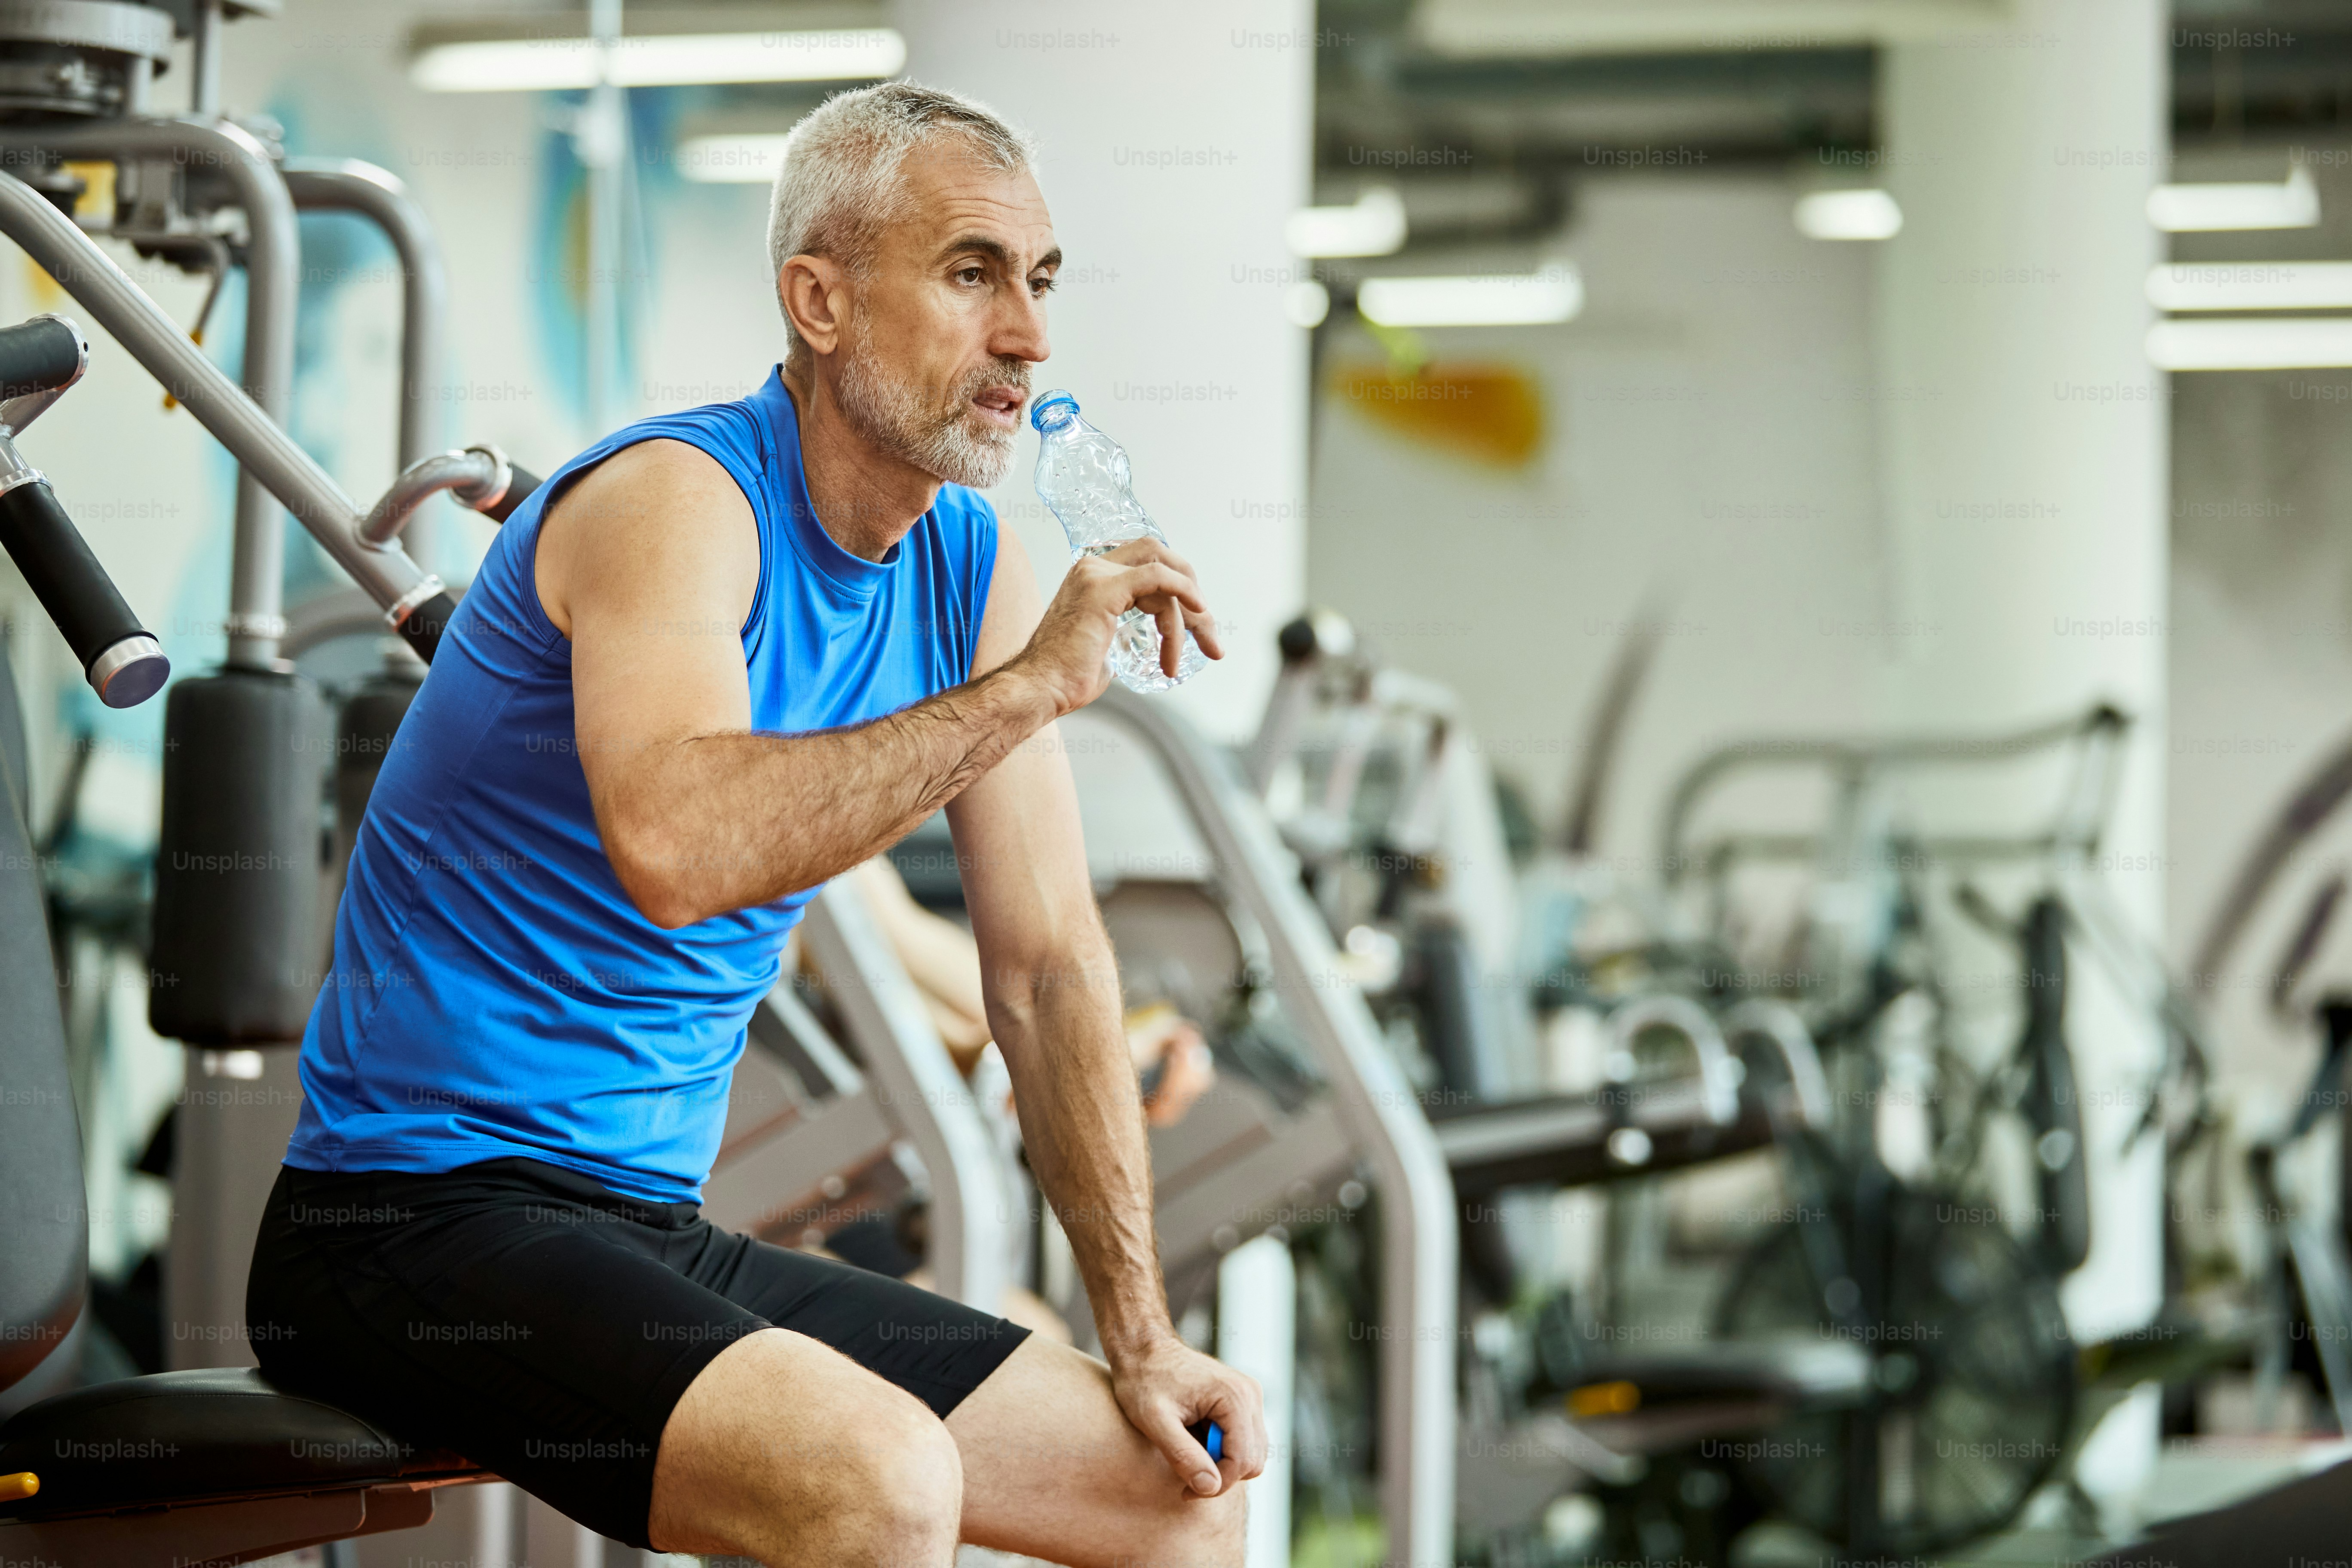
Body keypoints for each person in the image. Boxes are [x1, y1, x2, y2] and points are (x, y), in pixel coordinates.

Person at [245, 80, 1262, 1568]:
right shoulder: (677, 499)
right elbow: (683, 852)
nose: (1029, 337)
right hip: (403, 1223)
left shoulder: (967, 565)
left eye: (1040, 284)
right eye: (972, 274)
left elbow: (1045, 970)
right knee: (878, 1480)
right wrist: (1033, 691)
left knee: (1174, 1500)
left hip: (647, 1221)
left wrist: (1146, 1337)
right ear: (821, 300)